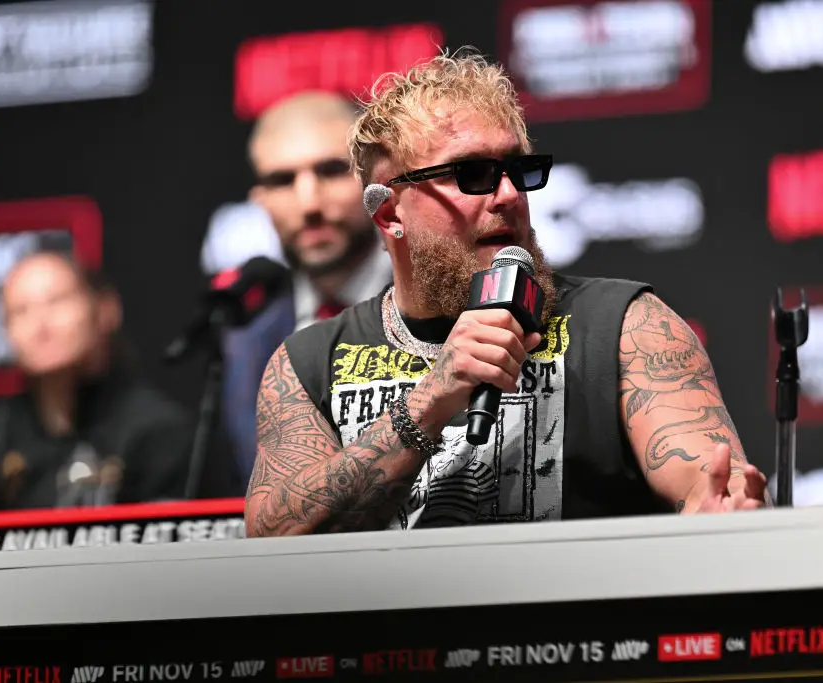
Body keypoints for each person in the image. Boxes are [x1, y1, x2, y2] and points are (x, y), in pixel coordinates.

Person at [244, 51, 771, 537]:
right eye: (472, 174)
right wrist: (431, 401)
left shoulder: (624, 326)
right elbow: (271, 536)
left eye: (518, 170)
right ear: (389, 213)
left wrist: (719, 511)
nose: (509, 195)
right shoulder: (309, 361)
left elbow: (704, 477)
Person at [219, 91, 393, 482]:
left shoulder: (434, 302)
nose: (308, 202)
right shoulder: (247, 336)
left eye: (331, 170)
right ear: (259, 200)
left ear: (377, 179)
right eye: (282, 180)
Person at [0, 252, 210, 509]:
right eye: (20, 311)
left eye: (57, 301)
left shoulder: (159, 432)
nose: (40, 324)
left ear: (105, 309)